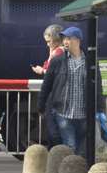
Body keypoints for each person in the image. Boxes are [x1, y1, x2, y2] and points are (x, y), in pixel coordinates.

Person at [37, 26, 100, 155]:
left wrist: (100, 109)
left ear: (77, 40)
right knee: (70, 146)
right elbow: (47, 85)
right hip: (64, 113)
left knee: (82, 150)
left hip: (83, 114)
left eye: (68, 39)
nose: (65, 42)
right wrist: (40, 105)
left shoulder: (90, 62)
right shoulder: (57, 61)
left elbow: (98, 86)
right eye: (64, 39)